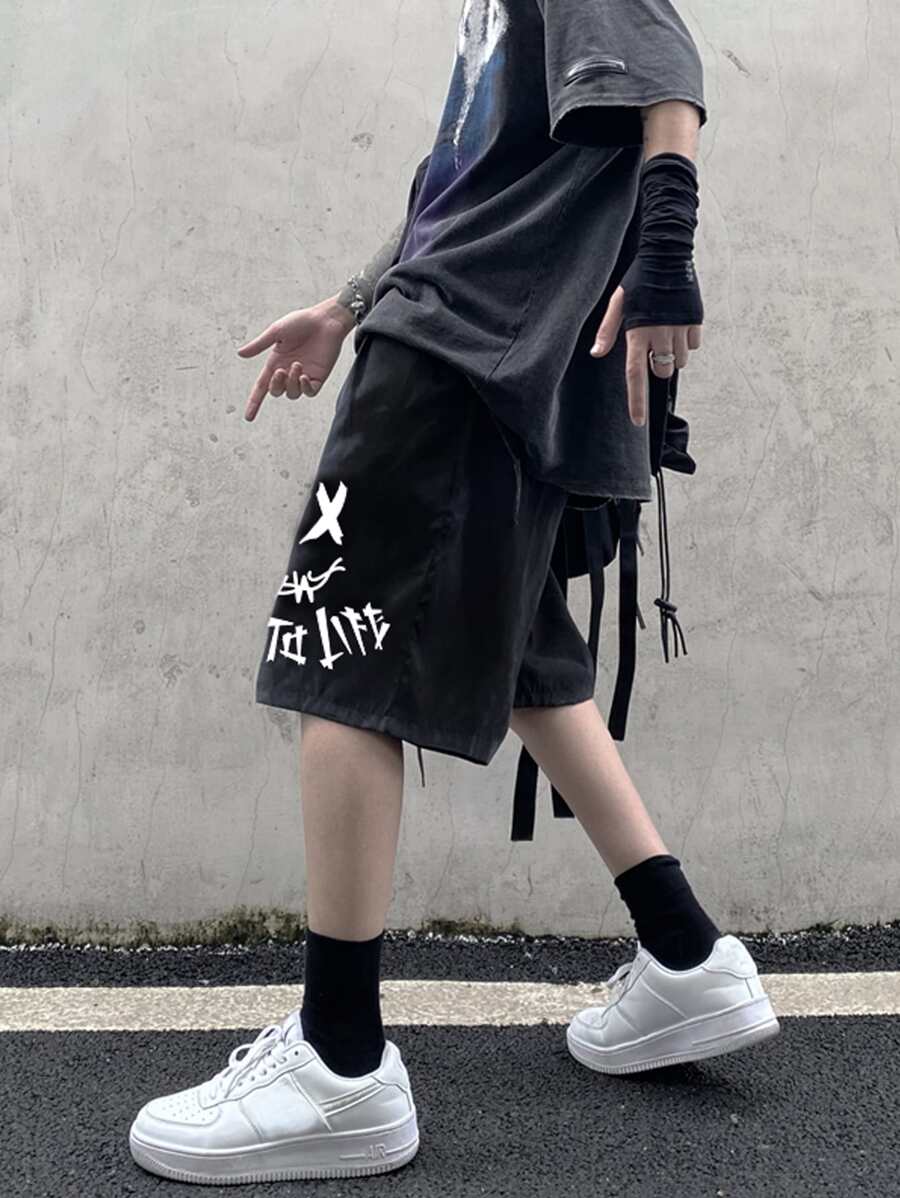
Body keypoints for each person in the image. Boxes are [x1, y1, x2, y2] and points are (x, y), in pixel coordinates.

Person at [129, 0, 780, 1184]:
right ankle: (685, 955)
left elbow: (666, 73)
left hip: (463, 355)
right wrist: (347, 305)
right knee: (528, 657)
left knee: (337, 653)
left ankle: (339, 1064)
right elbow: (465, 182)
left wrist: (665, 262)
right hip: (484, 344)